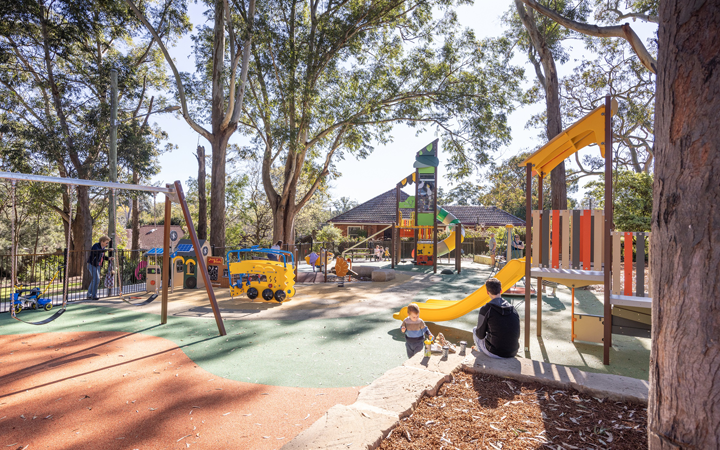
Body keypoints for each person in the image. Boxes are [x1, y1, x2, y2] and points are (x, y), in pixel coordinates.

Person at [473, 277, 520, 358]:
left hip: (494, 352)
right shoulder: (513, 309)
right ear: (501, 290)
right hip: (513, 352)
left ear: (487, 292)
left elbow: (480, 335)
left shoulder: (486, 309)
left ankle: (482, 356)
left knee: (475, 330)